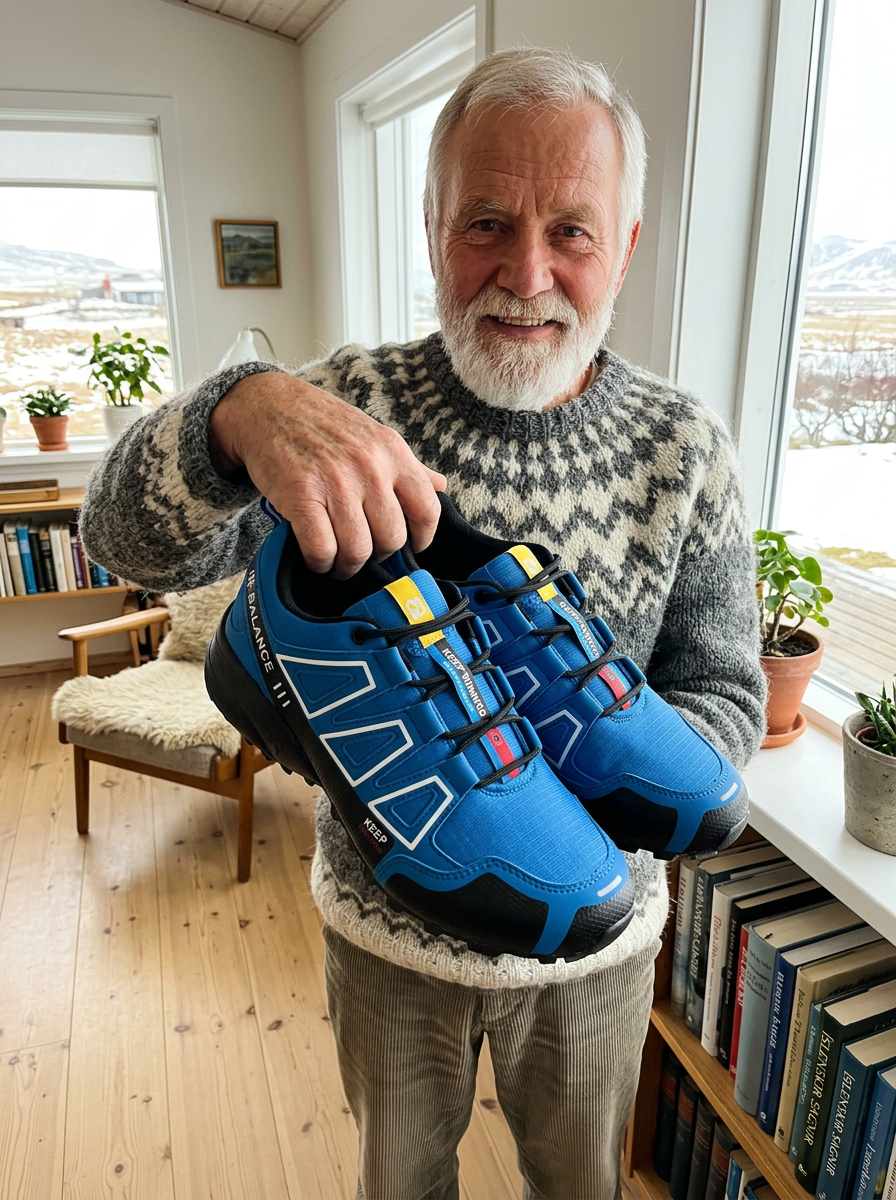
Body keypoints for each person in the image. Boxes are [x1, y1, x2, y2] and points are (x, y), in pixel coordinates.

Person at [82, 47, 765, 1200]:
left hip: (599, 930)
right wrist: (236, 412)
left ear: (624, 247)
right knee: (400, 1185)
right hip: (386, 938)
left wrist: (568, 789)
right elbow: (122, 540)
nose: (526, 273)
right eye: (485, 223)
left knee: (578, 1186)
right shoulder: (342, 403)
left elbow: (725, 689)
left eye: (571, 231)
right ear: (432, 229)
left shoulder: (683, 447)